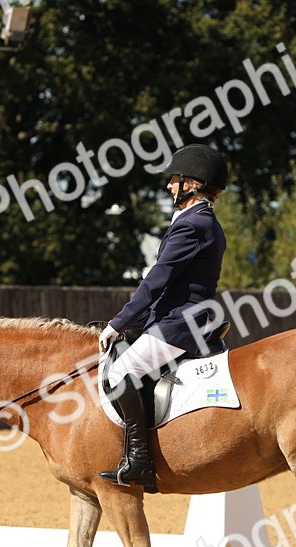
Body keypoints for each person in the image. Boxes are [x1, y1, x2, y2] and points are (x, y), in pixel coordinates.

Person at [96, 143, 228, 492]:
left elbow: (157, 280)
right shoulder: (200, 221)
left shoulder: (193, 225)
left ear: (193, 184)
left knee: (123, 371)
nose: (170, 186)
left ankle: (139, 459)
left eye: (175, 180)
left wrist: (119, 322)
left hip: (179, 324)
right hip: (177, 318)